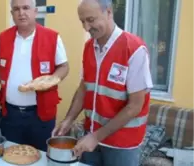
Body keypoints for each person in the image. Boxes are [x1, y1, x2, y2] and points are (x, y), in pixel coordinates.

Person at [52, 0, 153, 166]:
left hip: (122, 145)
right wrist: (68, 119)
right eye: (82, 21)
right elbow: (84, 89)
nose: (85, 27)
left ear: (109, 12)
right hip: (91, 138)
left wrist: (96, 137)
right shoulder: (88, 47)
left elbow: (135, 106)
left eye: (91, 20)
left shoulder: (134, 49)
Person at [0, 0, 69, 151]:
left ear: (35, 11)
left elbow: (64, 67)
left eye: (25, 8)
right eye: (16, 9)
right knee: (12, 154)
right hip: (10, 114)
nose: (21, 13)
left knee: (41, 156)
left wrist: (50, 80)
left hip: (41, 114)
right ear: (11, 14)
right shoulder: (3, 38)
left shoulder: (52, 37)